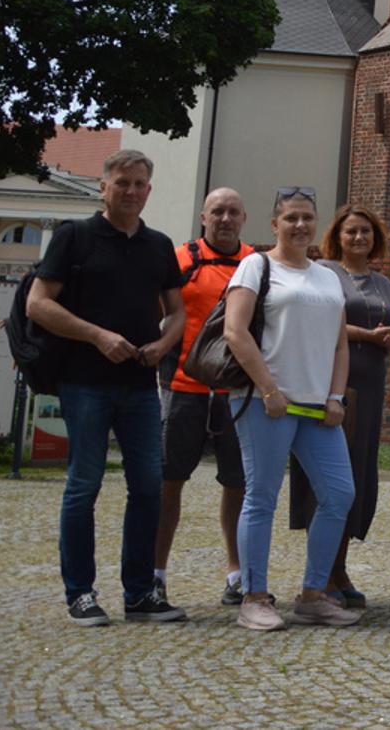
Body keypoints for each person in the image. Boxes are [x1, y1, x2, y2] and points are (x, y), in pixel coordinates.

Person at [28, 149, 188, 626]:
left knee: (147, 487)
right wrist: (97, 336)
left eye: (140, 184)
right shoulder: (74, 237)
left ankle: (140, 594)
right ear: (103, 186)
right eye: (122, 183)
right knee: (84, 485)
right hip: (85, 382)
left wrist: (163, 344)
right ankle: (80, 593)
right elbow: (38, 304)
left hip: (140, 383)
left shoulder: (159, 245)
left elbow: (177, 311)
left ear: (149, 190)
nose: (131, 191)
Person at [220, 187, 357, 631]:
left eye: (307, 218)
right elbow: (235, 332)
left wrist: (336, 396)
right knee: (261, 497)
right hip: (268, 403)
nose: (300, 225)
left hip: (317, 407)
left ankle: (313, 595)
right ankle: (254, 596)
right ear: (274, 224)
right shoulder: (255, 266)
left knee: (339, 494)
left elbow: (340, 343)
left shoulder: (328, 276)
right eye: (291, 218)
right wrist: (267, 388)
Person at [292, 204, 390, 610]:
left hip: (370, 389)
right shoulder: (323, 276)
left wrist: (387, 338)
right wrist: (368, 335)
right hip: (332, 386)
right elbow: (320, 326)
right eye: (351, 232)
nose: (359, 238)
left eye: (366, 233)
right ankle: (322, 573)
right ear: (337, 236)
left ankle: (340, 566)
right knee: (327, 479)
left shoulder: (387, 286)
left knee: (358, 477)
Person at [153, 186, 253, 607]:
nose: (225, 219)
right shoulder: (180, 259)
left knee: (238, 484)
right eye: (218, 212)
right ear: (203, 217)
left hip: (237, 390)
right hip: (183, 387)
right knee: (168, 482)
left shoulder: (255, 262)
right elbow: (153, 311)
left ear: (244, 218)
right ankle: (155, 573)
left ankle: (237, 573)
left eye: (233, 212)